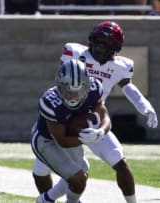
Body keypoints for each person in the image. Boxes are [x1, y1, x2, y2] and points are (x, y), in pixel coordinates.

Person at [32, 21, 158, 203]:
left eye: (106, 45)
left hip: (93, 119)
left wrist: (144, 105)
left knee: (119, 161)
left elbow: (127, 86)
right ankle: (50, 199)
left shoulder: (120, 67)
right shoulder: (75, 53)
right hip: (67, 119)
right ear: (91, 41)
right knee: (41, 170)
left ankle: (132, 201)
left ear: (115, 48)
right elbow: (63, 78)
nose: (100, 48)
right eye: (98, 42)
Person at [31, 59, 111, 203]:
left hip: (70, 136)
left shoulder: (95, 88)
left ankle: (46, 199)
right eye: (68, 92)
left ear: (87, 86)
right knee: (78, 179)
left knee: (82, 174)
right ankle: (50, 199)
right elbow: (61, 140)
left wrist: (100, 132)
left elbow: (104, 116)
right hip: (47, 140)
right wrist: (85, 139)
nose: (73, 97)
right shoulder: (50, 101)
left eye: (78, 92)